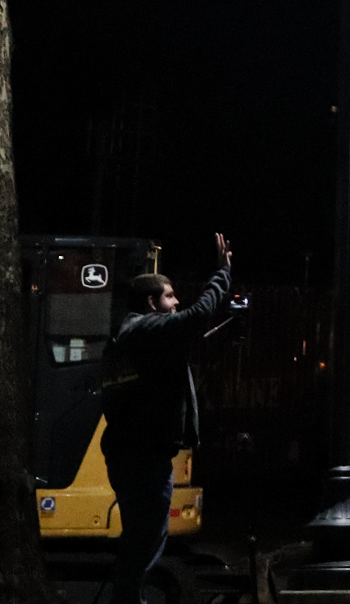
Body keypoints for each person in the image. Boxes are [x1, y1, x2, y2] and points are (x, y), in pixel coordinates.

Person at [101, 234, 233, 604]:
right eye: (170, 297)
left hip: (136, 453)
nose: (176, 304)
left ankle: (128, 597)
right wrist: (221, 274)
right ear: (150, 303)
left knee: (141, 537)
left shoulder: (138, 335)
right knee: (146, 538)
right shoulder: (143, 329)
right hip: (143, 457)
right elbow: (196, 315)